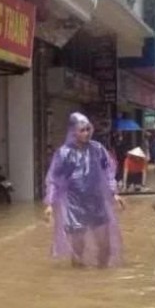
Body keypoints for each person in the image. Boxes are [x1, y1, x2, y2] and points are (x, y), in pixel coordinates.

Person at [44, 113, 125, 268]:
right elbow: (54, 179)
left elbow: (108, 171)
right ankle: (79, 281)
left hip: (97, 201)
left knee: (104, 245)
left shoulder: (97, 149)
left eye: (88, 129)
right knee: (77, 249)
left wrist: (114, 193)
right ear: (74, 131)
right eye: (82, 130)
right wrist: (50, 203)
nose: (86, 133)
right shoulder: (63, 153)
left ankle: (102, 278)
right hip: (74, 204)